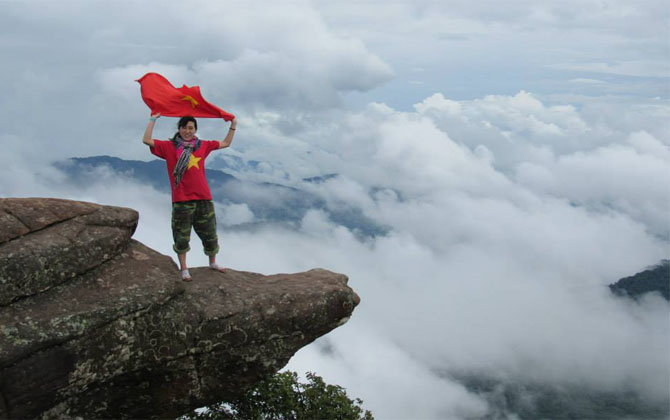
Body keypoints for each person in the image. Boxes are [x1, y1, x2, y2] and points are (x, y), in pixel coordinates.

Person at [142, 112, 237, 281]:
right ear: (179, 129)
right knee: (181, 236)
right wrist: (152, 120)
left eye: (191, 128)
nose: (187, 131)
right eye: (184, 127)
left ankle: (213, 262)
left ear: (195, 130)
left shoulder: (203, 145)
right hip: (182, 199)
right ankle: (184, 268)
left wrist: (233, 124)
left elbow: (226, 143)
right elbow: (147, 140)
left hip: (203, 197)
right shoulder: (168, 147)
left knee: (210, 233)